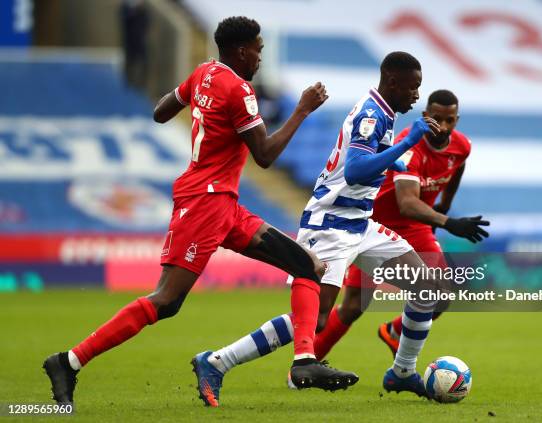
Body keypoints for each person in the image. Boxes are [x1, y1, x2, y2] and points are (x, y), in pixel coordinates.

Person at [42, 16, 357, 408]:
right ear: (242, 51)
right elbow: (264, 156)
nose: (260, 57)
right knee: (166, 301)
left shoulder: (204, 72)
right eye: (258, 49)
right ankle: (69, 361)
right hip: (205, 205)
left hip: (224, 203)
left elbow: (160, 112)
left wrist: (194, 103)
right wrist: (302, 110)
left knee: (308, 266)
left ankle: (304, 361)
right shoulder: (240, 90)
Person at [194, 51, 447, 400]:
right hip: (331, 224)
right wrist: (408, 142)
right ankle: (218, 361)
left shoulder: (384, 113)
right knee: (316, 320)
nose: (417, 95)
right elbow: (357, 170)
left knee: (426, 288)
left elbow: (362, 169)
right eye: (413, 88)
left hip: (359, 223)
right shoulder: (372, 115)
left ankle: (402, 372)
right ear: (392, 81)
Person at [313, 89, 489, 362]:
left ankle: (395, 333)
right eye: (437, 119)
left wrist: (444, 205)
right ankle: (305, 364)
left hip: (416, 226)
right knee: (353, 307)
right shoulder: (410, 145)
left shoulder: (462, 146)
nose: (443, 127)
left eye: (450, 120)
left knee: (441, 295)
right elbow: (407, 203)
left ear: (457, 119)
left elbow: (457, 168)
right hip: (378, 224)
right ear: (425, 115)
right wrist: (448, 222)